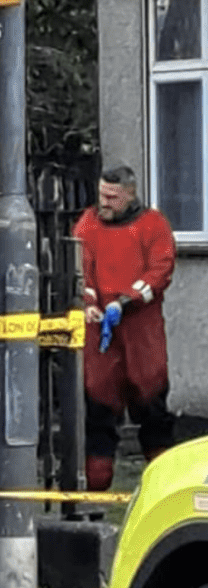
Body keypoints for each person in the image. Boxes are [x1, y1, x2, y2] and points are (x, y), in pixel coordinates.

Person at [73, 165, 176, 491]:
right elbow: (81, 268)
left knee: (152, 411)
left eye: (112, 197)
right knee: (99, 413)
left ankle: (163, 486)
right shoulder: (88, 223)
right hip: (101, 334)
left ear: (130, 195)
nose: (104, 202)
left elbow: (160, 271)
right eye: (102, 194)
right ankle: (95, 495)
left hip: (140, 333)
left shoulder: (153, 226)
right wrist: (89, 303)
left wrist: (125, 301)